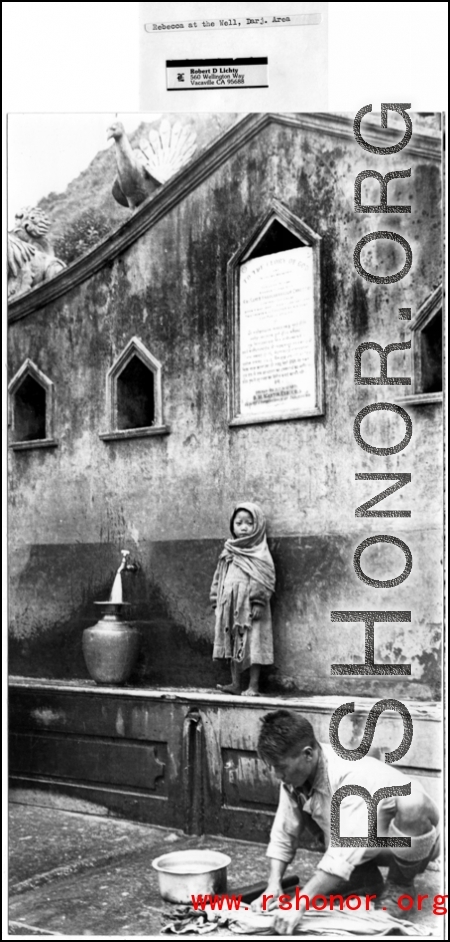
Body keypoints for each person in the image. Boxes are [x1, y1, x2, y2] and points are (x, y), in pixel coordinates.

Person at [253, 709, 440, 935]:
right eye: (270, 766)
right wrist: (274, 884)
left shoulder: (351, 776)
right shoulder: (295, 778)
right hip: (363, 842)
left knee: (412, 802)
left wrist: (299, 904)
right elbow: (284, 832)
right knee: (315, 810)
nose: (275, 774)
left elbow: (342, 852)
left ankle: (401, 886)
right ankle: (361, 878)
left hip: (411, 842)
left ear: (308, 754)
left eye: (280, 767)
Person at [210, 502, 276, 697]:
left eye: (249, 523)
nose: (244, 527)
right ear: (233, 526)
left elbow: (263, 578)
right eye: (239, 523)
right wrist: (216, 598)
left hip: (250, 606)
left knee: (253, 644)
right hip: (230, 605)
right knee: (233, 642)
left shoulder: (259, 552)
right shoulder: (229, 550)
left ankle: (253, 685)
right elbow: (219, 575)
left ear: (257, 526)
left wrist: (258, 602)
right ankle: (236, 683)